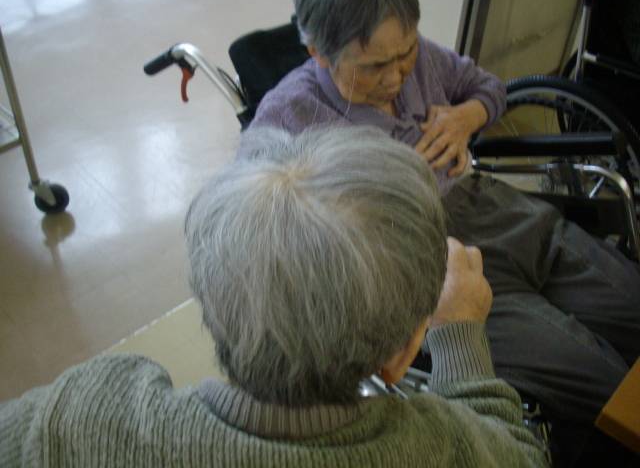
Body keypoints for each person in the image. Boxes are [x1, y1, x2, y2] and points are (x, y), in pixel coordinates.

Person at [0, 126, 547, 467]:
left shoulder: (80, 420)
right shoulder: (440, 447)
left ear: (213, 306)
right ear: (402, 356)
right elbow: (522, 456)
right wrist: (459, 334)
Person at [248, 0, 640, 464]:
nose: (396, 77)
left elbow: (488, 87)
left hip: (499, 213)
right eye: (374, 66)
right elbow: (257, 225)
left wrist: (466, 116)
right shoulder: (288, 116)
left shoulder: (423, 60)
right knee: (610, 388)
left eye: (406, 53)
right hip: (427, 263)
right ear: (318, 53)